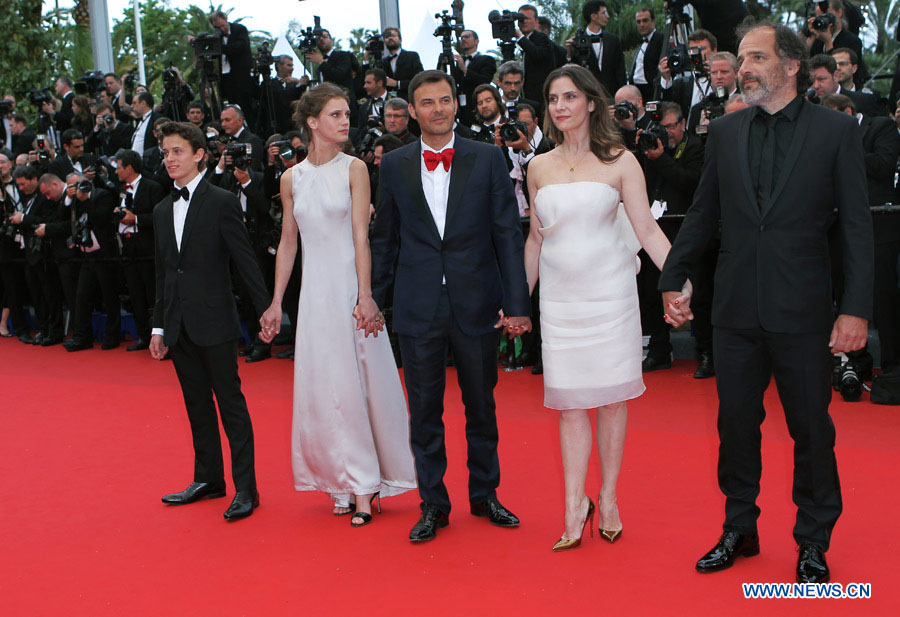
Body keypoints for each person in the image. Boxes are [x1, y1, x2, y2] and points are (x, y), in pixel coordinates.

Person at [659, 22, 873, 584]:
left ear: (791, 65)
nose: (744, 65)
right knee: (735, 425)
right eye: (743, 56)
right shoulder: (726, 134)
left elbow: (856, 228)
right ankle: (740, 526)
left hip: (803, 310)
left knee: (811, 428)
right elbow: (703, 213)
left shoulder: (836, 132)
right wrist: (672, 277)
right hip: (733, 309)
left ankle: (813, 538)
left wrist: (855, 309)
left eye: (756, 56)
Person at [371, 70, 531, 543]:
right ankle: (433, 505)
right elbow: (385, 241)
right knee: (424, 412)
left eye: (444, 100)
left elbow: (507, 233)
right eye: (427, 103)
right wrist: (374, 301)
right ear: (411, 112)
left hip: (477, 301)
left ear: (456, 104)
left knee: (481, 406)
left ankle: (485, 495)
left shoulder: (486, 158)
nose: (437, 109)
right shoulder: (394, 165)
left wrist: (517, 304)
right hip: (418, 304)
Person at [523, 65, 677, 551]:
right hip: (560, 304)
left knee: (611, 402)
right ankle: (574, 506)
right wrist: (511, 303)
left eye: (570, 96)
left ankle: (607, 499)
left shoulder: (622, 161)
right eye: (552, 98)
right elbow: (534, 241)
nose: (560, 106)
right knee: (569, 406)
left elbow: (648, 231)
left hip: (610, 298)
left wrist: (679, 282)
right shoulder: (537, 167)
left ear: (592, 102)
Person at [258, 83, 416, 525]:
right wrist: (275, 304)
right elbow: (288, 243)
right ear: (312, 123)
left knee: (355, 388)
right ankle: (336, 482)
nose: (346, 121)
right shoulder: (292, 178)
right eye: (335, 114)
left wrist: (366, 296)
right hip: (314, 298)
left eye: (347, 113)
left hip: (349, 289)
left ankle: (365, 484)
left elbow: (362, 237)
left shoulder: (355, 169)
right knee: (321, 389)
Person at [150, 122, 271, 522]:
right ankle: (209, 479)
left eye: (178, 151)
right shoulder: (161, 208)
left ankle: (246, 489)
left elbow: (245, 260)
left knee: (230, 405)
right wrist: (157, 326)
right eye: (166, 153)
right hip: (179, 323)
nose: (170, 159)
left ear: (200, 154)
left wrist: (267, 311)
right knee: (196, 405)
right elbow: (163, 273)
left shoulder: (220, 200)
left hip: (216, 320)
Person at [567, 1, 626, 98]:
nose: (608, 16)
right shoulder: (578, 41)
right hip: (587, 94)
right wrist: (569, 52)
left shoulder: (613, 40)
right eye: (604, 13)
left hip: (611, 95)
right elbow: (573, 70)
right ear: (593, 16)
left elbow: (620, 71)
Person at [450, 30, 497, 127]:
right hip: (461, 111)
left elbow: (484, 80)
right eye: (461, 38)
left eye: (467, 37)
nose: (463, 39)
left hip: (478, 107)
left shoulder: (486, 59)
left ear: (476, 41)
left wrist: (464, 69)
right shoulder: (459, 61)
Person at [516, 5, 557, 105]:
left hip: (541, 95)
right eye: (521, 19)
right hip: (526, 95)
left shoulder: (541, 37)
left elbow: (537, 54)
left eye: (528, 19)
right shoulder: (520, 41)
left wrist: (520, 37)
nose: (524, 21)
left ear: (536, 21)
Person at [631, 7, 665, 103]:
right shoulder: (642, 42)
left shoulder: (661, 39)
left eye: (645, 21)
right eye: (638, 22)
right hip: (636, 89)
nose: (641, 25)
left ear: (653, 21)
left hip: (651, 89)